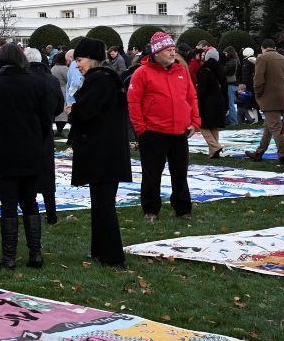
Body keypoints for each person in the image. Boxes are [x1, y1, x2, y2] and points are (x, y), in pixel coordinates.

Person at [0, 44, 53, 269]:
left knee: (8, 203)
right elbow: (45, 120)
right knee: (30, 200)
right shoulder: (37, 83)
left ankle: (9, 257)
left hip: (5, 151)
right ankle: (35, 254)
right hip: (31, 150)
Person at [67, 36, 132, 267]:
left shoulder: (99, 81)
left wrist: (73, 110)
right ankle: (99, 249)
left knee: (104, 205)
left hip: (103, 155)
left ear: (92, 59)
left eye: (80, 59)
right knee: (101, 203)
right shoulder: (105, 79)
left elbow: (85, 113)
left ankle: (112, 256)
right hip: (108, 153)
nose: (77, 64)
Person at [128, 32, 199, 221]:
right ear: (157, 52)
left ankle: (183, 209)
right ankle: (151, 210)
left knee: (180, 173)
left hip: (179, 131)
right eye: (168, 50)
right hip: (153, 132)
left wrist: (195, 121)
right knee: (152, 174)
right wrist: (141, 128)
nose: (173, 53)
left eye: (173, 49)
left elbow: (191, 96)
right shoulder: (141, 73)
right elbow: (133, 102)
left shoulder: (181, 71)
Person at [26, 47, 63, 224]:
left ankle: (30, 212)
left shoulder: (23, 79)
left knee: (28, 175)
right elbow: (59, 106)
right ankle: (52, 215)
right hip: (46, 131)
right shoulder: (52, 80)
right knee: (47, 175)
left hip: (26, 132)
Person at [249, 39, 284, 163]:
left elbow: (258, 78)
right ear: (275, 47)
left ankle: (282, 154)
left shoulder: (262, 58)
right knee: (269, 126)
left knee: (275, 127)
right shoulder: (283, 59)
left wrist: (258, 93)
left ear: (262, 47)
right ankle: (259, 152)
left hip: (268, 97)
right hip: (283, 96)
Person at [196, 48, 228, 159]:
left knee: (202, 125)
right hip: (220, 100)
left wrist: (197, 102)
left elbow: (201, 89)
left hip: (207, 102)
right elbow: (225, 89)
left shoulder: (204, 69)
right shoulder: (221, 69)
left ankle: (215, 146)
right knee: (214, 126)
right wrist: (226, 104)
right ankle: (214, 153)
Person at [50, 51, 70, 136]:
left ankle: (58, 130)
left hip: (53, 90)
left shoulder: (53, 68)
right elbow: (68, 80)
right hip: (63, 90)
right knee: (63, 113)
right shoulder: (64, 68)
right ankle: (59, 130)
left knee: (57, 112)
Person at [223, 46, 241, 126]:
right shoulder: (236, 61)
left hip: (231, 84)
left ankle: (233, 122)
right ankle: (233, 120)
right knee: (231, 104)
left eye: (226, 53)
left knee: (231, 104)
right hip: (234, 84)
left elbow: (224, 71)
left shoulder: (231, 62)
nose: (225, 55)